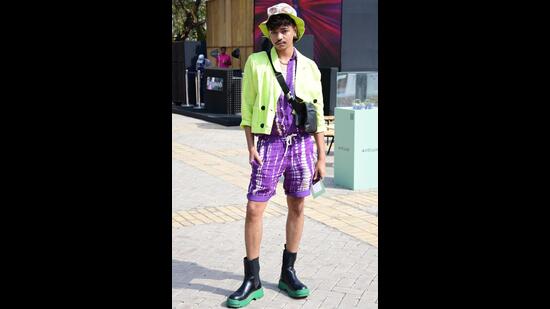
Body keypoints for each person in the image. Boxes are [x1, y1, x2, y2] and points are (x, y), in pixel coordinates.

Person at [227, 3, 326, 308]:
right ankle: (252, 279)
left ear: (295, 31)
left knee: (297, 206)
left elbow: (317, 113)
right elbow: (247, 106)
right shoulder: (257, 63)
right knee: (254, 209)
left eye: (284, 29)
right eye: (274, 30)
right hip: (268, 144)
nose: (279, 36)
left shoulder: (309, 66)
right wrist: (250, 144)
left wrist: (321, 156)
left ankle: (288, 272)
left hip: (301, 146)